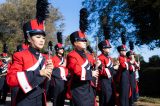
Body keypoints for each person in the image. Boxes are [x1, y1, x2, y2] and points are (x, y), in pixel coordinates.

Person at [6, 0, 52, 106]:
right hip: (25, 100)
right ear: (29, 39)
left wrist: (49, 71)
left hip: (40, 99)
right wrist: (39, 73)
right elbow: (10, 80)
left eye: (43, 37)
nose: (42, 40)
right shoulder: (19, 55)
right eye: (38, 37)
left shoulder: (44, 57)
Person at [67, 8, 99, 106]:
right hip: (78, 88)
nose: (85, 42)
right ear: (75, 43)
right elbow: (77, 71)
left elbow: (94, 63)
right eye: (82, 40)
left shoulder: (88, 55)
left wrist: (98, 64)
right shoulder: (71, 55)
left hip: (88, 87)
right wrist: (92, 73)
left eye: (85, 40)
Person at [50, 32, 68, 106]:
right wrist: (61, 66)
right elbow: (52, 70)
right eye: (61, 49)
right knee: (56, 98)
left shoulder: (64, 58)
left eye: (62, 49)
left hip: (64, 81)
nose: (62, 50)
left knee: (62, 98)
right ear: (57, 50)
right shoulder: (53, 58)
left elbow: (67, 69)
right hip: (56, 80)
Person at [116, 33, 130, 106]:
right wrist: (130, 62)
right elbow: (124, 66)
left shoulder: (125, 58)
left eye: (125, 50)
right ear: (120, 51)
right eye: (123, 50)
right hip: (122, 78)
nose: (125, 52)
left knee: (126, 93)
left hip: (126, 77)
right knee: (123, 94)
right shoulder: (120, 58)